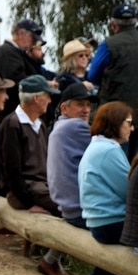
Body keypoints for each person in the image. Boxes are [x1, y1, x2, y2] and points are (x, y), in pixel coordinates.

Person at [0, 75, 72, 275]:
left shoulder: (39, 124)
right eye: (48, 96)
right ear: (37, 98)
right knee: (68, 209)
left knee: (72, 203)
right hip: (27, 191)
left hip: (41, 186)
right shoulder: (12, 124)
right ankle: (50, 261)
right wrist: (27, 201)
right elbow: (11, 169)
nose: (50, 101)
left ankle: (52, 256)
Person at [78, 101, 133, 275]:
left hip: (101, 221)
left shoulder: (98, 146)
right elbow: (130, 192)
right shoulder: (109, 151)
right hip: (110, 224)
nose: (132, 127)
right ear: (115, 123)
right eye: (128, 122)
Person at [88, 4, 138, 160]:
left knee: (117, 162)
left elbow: (93, 74)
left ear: (113, 24)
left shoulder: (109, 45)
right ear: (135, 22)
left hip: (116, 116)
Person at [47, 83, 97, 228]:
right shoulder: (75, 126)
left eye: (88, 105)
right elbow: (111, 146)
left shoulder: (59, 126)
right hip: (82, 212)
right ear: (64, 108)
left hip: (67, 209)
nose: (86, 110)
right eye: (80, 105)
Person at [0, 19, 45, 116]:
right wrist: (42, 84)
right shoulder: (7, 52)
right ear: (21, 33)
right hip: (13, 112)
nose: (34, 43)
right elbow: (15, 83)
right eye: (33, 38)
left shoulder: (16, 53)